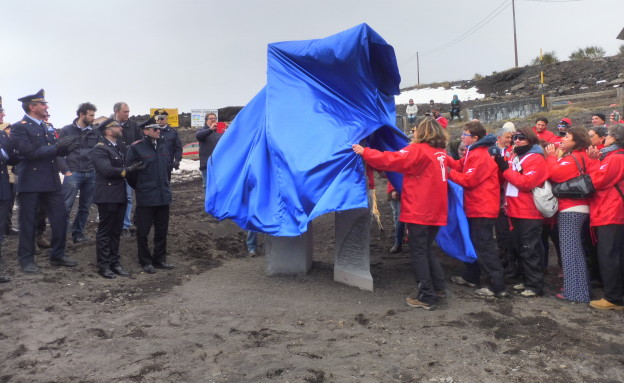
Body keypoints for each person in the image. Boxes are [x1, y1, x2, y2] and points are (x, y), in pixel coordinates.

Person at [352, 117, 449, 310]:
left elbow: (393, 159)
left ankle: (426, 296)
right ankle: (439, 288)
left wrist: (366, 152)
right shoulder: (441, 153)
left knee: (419, 252)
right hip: (436, 211)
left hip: (420, 211)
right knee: (426, 249)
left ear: (422, 132)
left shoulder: (417, 150)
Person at [10, 89, 79, 273]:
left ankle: (58, 255)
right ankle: (26, 259)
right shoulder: (20, 127)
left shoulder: (46, 126)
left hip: (51, 181)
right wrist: (57, 148)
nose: (46, 106)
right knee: (28, 222)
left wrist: (65, 149)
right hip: (31, 182)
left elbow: (54, 152)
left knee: (61, 218)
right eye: (42, 104)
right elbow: (29, 153)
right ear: (32, 107)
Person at [448, 121, 506, 297]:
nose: (462, 137)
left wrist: (447, 172)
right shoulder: (473, 153)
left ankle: (497, 286)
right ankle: (471, 276)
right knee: (474, 243)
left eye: (465, 135)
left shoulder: (479, 155)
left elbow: (468, 180)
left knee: (484, 245)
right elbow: (460, 166)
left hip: (482, 207)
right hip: (477, 206)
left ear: (474, 138)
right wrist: (444, 158)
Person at [495, 126, 549, 297]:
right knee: (519, 248)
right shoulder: (517, 156)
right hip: (514, 209)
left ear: (530, 140)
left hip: (528, 211)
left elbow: (526, 182)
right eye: (515, 138)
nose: (516, 140)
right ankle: (527, 280)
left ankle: (535, 285)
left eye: (521, 138)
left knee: (529, 248)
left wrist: (505, 169)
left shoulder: (536, 159)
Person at [544, 127, 592, 303]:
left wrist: (551, 157)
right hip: (579, 206)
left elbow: (554, 174)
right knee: (575, 250)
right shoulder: (583, 156)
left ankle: (576, 292)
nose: (563, 139)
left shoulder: (574, 157)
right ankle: (579, 288)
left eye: (567, 137)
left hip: (571, 208)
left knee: (571, 251)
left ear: (575, 141)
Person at [92, 119, 143, 279]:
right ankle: (104, 265)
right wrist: (128, 170)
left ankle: (115, 262)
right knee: (105, 231)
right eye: (116, 126)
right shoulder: (100, 149)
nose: (120, 128)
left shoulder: (116, 148)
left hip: (119, 195)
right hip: (107, 196)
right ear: (108, 131)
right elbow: (107, 170)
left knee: (116, 231)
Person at [126, 121, 173, 274]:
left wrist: (165, 185)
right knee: (143, 231)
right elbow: (131, 175)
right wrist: (141, 187)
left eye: (159, 129)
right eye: (155, 129)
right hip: (146, 196)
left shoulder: (164, 145)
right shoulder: (136, 147)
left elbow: (167, 169)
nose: (159, 131)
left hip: (163, 195)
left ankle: (159, 259)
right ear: (146, 131)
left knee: (162, 230)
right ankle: (145, 261)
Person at [586, 123, 624, 310]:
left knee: (609, 255)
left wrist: (593, 162)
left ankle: (613, 298)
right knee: (616, 253)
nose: (606, 138)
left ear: (614, 138)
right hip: (615, 211)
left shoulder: (615, 158)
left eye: (608, 136)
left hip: (611, 211)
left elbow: (597, 181)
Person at [58, 102, 100, 244]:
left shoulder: (95, 131)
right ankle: (60, 235)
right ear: (81, 114)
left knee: (85, 206)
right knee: (66, 205)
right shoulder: (66, 130)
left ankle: (78, 233)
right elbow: (58, 153)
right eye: (91, 115)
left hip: (91, 173)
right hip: (73, 173)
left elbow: (99, 151)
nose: (94, 118)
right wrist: (66, 171)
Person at [113, 102, 142, 238]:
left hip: (130, 167)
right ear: (116, 112)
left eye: (128, 111)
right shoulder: (108, 125)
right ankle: (110, 224)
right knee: (111, 198)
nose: (127, 114)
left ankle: (125, 226)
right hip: (113, 167)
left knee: (128, 197)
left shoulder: (134, 125)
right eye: (125, 111)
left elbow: (140, 142)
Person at [0, 96, 18, 282]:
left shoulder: (3, 135)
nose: (3, 114)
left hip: (3, 188)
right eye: (1, 111)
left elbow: (11, 157)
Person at [195, 112, 223, 190]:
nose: (213, 120)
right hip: (207, 163)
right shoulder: (202, 130)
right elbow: (198, 136)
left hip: (219, 162)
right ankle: (208, 202)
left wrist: (228, 130)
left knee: (219, 184)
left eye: (215, 118)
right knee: (207, 185)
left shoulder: (220, 131)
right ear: (206, 121)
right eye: (211, 118)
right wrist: (210, 130)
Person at [154, 109, 182, 181]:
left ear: (166, 119)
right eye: (157, 118)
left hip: (167, 163)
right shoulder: (152, 131)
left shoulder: (173, 132)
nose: (159, 120)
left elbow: (178, 148)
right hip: (154, 163)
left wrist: (177, 160)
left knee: (166, 184)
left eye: (162, 118)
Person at [387, 182, 405, 254]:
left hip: (399, 187)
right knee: (399, 216)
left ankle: (398, 244)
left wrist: (394, 188)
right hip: (404, 187)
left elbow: (395, 171)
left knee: (399, 217)